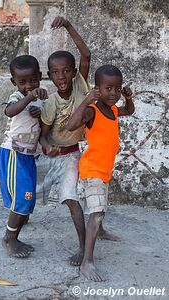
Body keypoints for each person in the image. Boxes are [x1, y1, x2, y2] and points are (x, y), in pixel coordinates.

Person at [66, 64, 135, 281]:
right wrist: (87, 100)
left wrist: (129, 98)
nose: (113, 93)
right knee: (96, 213)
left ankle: (101, 232)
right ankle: (87, 262)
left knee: (101, 204)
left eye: (117, 88)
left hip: (104, 170)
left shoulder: (113, 110)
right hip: (92, 170)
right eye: (108, 88)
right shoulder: (92, 110)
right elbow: (70, 125)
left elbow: (129, 111)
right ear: (97, 88)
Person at [39, 16, 91, 266]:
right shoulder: (50, 104)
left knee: (76, 196)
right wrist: (46, 145)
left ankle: (84, 246)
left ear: (74, 72)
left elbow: (86, 53)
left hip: (79, 151)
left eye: (66, 71)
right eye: (56, 72)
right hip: (60, 154)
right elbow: (43, 132)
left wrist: (70, 26)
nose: (62, 76)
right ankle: (17, 226)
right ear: (49, 75)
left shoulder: (81, 86)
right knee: (36, 193)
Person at [0, 55, 48, 258]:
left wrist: (40, 112)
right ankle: (10, 238)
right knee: (23, 195)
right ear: (14, 82)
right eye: (22, 82)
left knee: (27, 195)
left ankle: (22, 218)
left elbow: (44, 125)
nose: (28, 85)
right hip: (13, 153)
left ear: (40, 77)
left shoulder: (42, 98)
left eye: (33, 80)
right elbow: (10, 111)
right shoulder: (17, 97)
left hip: (28, 155)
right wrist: (29, 97)